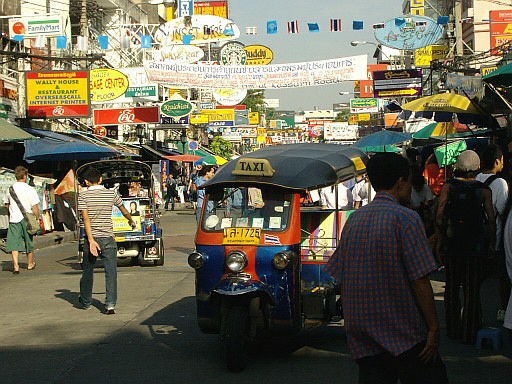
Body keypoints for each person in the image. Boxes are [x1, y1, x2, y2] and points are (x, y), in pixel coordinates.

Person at [325, 153, 448, 384]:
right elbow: (420, 280)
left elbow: (340, 274)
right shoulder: (406, 218)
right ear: (401, 181)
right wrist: (433, 327)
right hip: (403, 331)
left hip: (363, 332)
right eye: (409, 181)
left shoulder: (354, 220)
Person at [436, 150, 495, 344]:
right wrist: (491, 244)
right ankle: (470, 330)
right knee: (471, 289)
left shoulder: (448, 187)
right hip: (475, 246)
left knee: (452, 287)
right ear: (477, 168)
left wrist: (440, 241)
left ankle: (453, 329)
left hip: (453, 246)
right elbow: (491, 220)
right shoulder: (484, 190)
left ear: (457, 168)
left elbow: (440, 215)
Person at [78, 167, 136, 314]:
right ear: (100, 179)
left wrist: (91, 240)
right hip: (108, 238)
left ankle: (85, 301)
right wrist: (131, 221)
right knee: (111, 272)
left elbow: (86, 220)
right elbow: (123, 209)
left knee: (88, 271)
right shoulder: (111, 194)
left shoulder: (83, 197)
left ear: (86, 182)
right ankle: (110, 304)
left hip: (91, 238)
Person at [475, 144, 510, 322]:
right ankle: (503, 310)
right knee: (502, 276)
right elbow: (503, 213)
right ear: (497, 161)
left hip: (475, 238)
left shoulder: (476, 178)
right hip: (494, 238)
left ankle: (471, 309)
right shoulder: (500, 183)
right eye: (502, 160)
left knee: (477, 277)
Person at [3, 166, 40, 274]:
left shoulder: (9, 189)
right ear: (25, 176)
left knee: (13, 243)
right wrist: (37, 218)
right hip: (27, 219)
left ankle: (16, 266)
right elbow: (35, 208)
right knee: (29, 241)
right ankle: (29, 264)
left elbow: (6, 205)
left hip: (14, 219)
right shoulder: (30, 189)